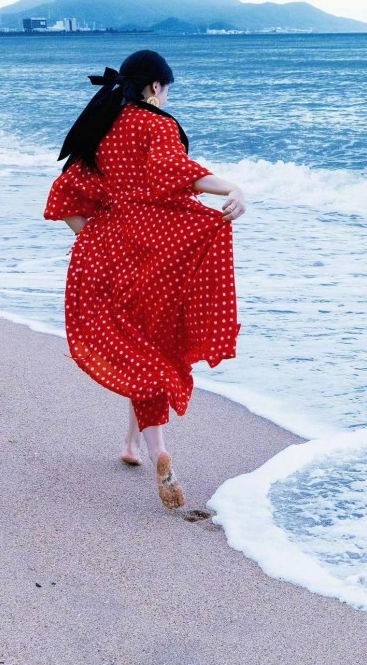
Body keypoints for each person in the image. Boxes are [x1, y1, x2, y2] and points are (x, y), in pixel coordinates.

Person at [44, 50, 245, 509]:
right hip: (156, 253)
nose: (167, 96)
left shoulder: (102, 129)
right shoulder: (155, 124)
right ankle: (159, 451)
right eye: (167, 89)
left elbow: (64, 195)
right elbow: (179, 172)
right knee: (153, 353)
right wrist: (233, 188)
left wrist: (91, 242)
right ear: (155, 86)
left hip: (106, 255)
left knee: (137, 350)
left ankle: (131, 445)